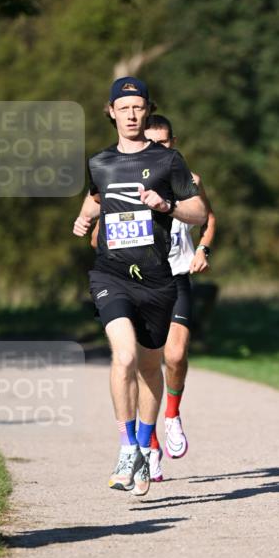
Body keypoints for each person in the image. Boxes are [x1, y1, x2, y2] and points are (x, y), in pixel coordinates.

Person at [72, 76, 206, 495]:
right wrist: (84, 218)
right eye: (123, 107)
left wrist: (166, 205)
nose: (131, 114)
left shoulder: (169, 161)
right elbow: (96, 196)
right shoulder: (99, 161)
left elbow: (199, 210)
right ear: (111, 112)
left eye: (138, 107)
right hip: (110, 274)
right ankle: (127, 445)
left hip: (157, 279)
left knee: (151, 368)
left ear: (147, 111)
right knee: (125, 356)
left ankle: (147, 448)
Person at [143, 115, 216, 479]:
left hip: (177, 276)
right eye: (150, 144)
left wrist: (203, 249)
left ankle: (172, 415)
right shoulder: (128, 180)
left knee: (175, 354)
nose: (158, 150)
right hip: (139, 283)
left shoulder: (189, 181)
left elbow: (209, 219)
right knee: (144, 367)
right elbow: (99, 235)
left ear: (174, 142)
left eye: (164, 143)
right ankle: (149, 443)